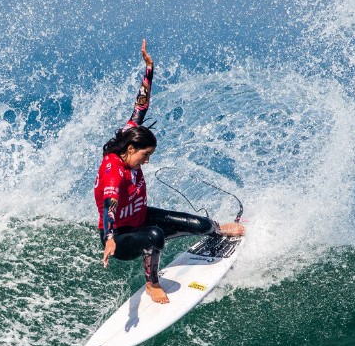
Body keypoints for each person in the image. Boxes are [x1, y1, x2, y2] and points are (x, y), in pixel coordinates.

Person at [94, 40, 246, 304]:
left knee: (202, 224)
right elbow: (110, 204)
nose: (147, 161)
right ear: (131, 149)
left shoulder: (128, 136)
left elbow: (140, 108)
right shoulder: (113, 172)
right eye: (145, 155)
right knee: (155, 235)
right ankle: (152, 283)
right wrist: (108, 238)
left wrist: (149, 70)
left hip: (141, 217)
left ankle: (217, 229)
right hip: (121, 237)